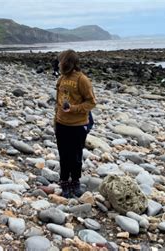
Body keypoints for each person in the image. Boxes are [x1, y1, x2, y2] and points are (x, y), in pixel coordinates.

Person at [54, 49, 96, 198]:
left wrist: (74, 109)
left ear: (67, 62)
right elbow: (57, 102)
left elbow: (91, 102)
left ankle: (75, 182)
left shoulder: (82, 80)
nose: (58, 63)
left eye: (60, 61)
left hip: (78, 125)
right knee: (64, 155)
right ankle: (64, 181)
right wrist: (56, 120)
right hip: (61, 124)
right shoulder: (61, 79)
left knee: (76, 156)